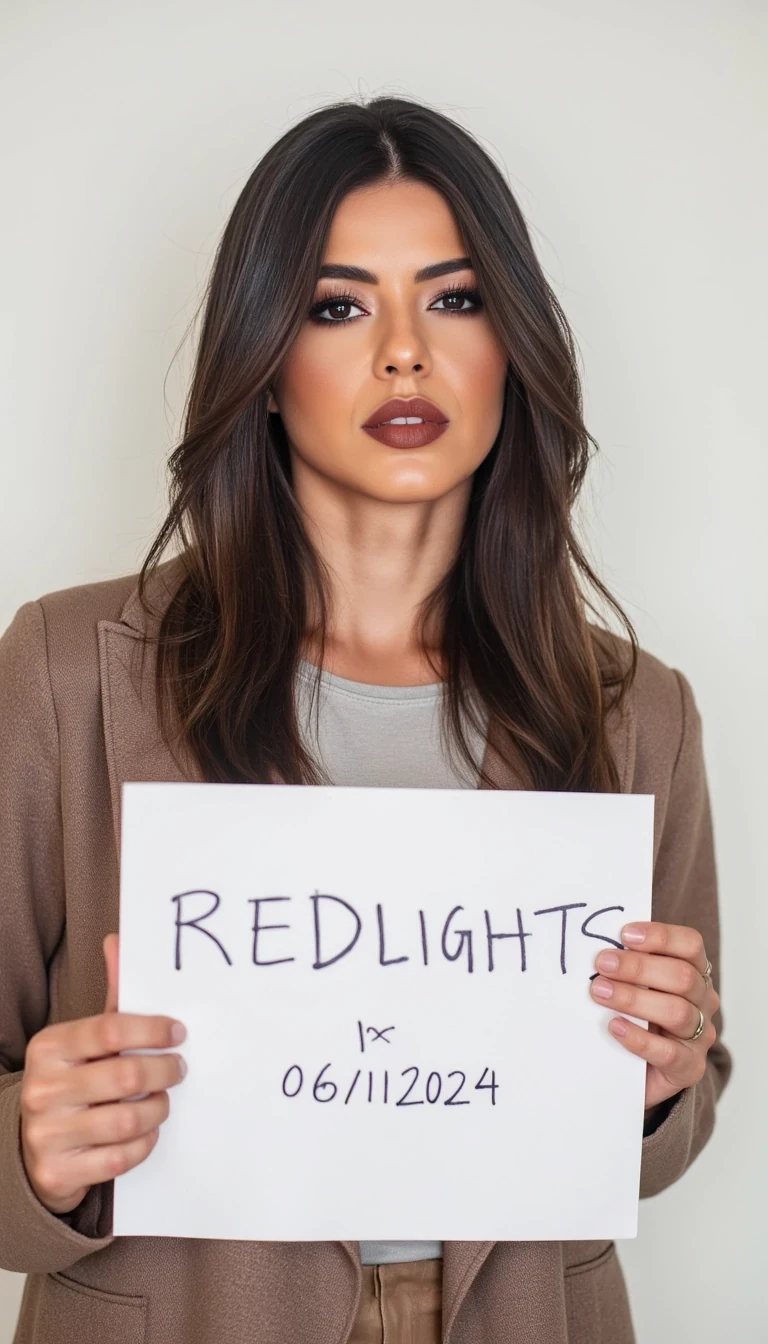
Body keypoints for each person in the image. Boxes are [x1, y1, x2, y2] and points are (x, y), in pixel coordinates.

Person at [0, 94, 731, 1344]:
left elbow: (667, 1122)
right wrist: (37, 1152)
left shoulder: (635, 710)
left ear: (516, 347)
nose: (405, 353)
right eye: (339, 307)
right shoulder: (71, 670)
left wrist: (665, 1086)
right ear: (264, 365)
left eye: (454, 299)